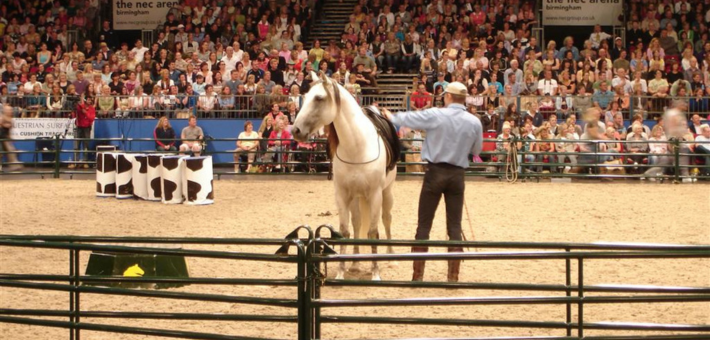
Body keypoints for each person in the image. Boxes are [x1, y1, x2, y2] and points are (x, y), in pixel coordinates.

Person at [383, 82, 483, 283]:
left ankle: (417, 276)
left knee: (424, 225)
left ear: (447, 97)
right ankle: (453, 276)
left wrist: (391, 116)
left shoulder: (436, 115)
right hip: (457, 175)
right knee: (454, 226)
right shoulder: (474, 122)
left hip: (434, 173)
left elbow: (410, 118)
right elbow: (477, 151)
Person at [70, 96, 96, 169]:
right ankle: (75, 161)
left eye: (90, 100)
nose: (89, 101)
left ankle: (85, 161)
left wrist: (86, 113)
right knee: (76, 144)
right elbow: (76, 111)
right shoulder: (80, 106)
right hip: (79, 126)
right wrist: (77, 105)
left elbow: (92, 118)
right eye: (87, 99)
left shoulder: (92, 108)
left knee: (86, 145)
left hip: (87, 128)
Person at [0, 105, 22, 172]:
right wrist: (4, 125)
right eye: (9, 110)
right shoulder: (2, 117)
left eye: (11, 110)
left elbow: (9, 130)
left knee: (11, 151)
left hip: (5, 137)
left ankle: (14, 166)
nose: (10, 111)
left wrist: (10, 137)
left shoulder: (10, 119)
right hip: (1, 137)